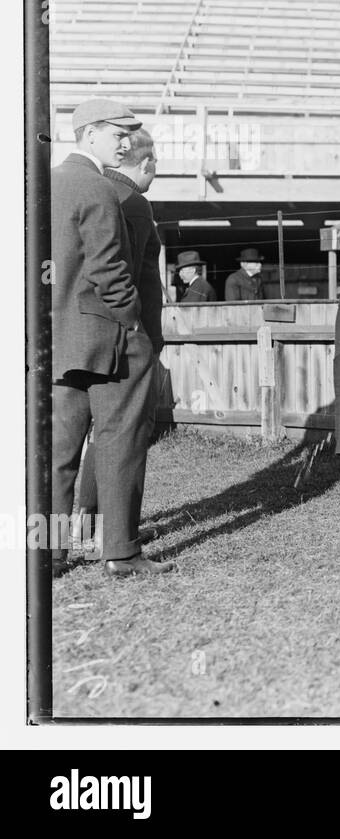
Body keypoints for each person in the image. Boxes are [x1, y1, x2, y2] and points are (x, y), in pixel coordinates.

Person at [51, 98, 173, 578]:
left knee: (57, 452)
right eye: (117, 133)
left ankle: (48, 554)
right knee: (120, 441)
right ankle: (121, 553)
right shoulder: (99, 187)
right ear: (90, 134)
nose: (125, 142)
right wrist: (133, 323)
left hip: (58, 335)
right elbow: (110, 270)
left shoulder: (42, 184)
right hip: (112, 338)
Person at [75, 127, 165, 556]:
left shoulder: (77, 187)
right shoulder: (134, 203)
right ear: (144, 164)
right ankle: (117, 541)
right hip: (123, 336)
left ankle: (69, 535)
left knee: (70, 442)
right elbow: (140, 280)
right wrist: (147, 336)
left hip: (72, 333)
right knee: (122, 436)